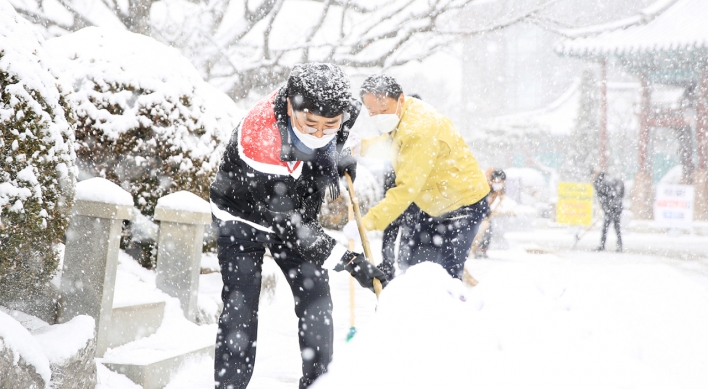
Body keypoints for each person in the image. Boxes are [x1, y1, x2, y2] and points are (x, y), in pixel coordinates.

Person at [209, 63, 388, 389]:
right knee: (241, 308)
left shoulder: (343, 112)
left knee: (317, 302)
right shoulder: (260, 138)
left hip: (294, 213)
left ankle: (317, 383)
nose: (320, 133)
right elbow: (289, 227)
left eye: (329, 126)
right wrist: (351, 262)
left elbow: (338, 139)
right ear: (291, 106)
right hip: (241, 213)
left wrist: (339, 155)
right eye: (311, 125)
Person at [344, 75, 490, 280]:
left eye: (383, 110)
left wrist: (366, 223)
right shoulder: (406, 112)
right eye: (371, 111)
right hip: (437, 202)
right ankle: (420, 306)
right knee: (415, 267)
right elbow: (393, 143)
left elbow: (406, 190)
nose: (377, 116)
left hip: (463, 205)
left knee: (445, 274)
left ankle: (450, 308)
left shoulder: (419, 129)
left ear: (400, 99)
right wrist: (363, 146)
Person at [473, 168, 507, 258]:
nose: (499, 184)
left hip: (486, 209)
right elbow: (480, 204)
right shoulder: (483, 185)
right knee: (480, 230)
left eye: (501, 182)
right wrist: (484, 218)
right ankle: (475, 249)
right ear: (492, 180)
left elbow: (502, 194)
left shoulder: (499, 185)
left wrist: (502, 198)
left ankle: (482, 250)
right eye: (497, 182)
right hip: (476, 209)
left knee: (488, 230)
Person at [592, 170, 624, 252]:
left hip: (612, 207)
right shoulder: (607, 180)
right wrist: (618, 200)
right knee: (616, 227)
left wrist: (607, 208)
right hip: (617, 206)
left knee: (606, 227)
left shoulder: (599, 183)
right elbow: (620, 188)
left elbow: (603, 198)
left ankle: (602, 245)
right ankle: (619, 246)